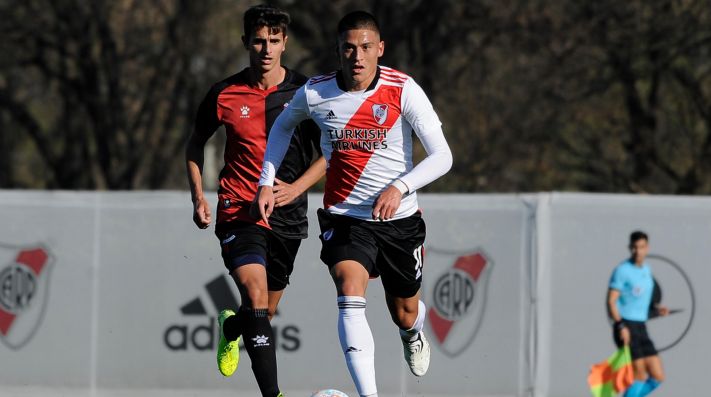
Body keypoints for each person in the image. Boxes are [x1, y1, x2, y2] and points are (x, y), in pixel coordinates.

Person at [256, 10, 453, 397]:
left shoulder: (403, 89)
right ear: (338, 51)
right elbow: (281, 127)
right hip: (346, 216)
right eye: (349, 48)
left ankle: (413, 331)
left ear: (380, 48)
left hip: (400, 220)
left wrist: (399, 187)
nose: (357, 57)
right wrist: (266, 181)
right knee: (349, 287)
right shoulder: (315, 92)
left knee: (404, 312)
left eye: (365, 47)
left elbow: (443, 156)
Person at [185, 4, 325, 397]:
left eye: (274, 41)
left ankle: (232, 327)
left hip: (288, 213)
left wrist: (296, 189)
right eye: (259, 41)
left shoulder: (306, 94)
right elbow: (195, 145)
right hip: (239, 209)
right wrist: (198, 196)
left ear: (285, 44)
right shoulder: (224, 93)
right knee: (257, 296)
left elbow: (329, 152)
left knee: (262, 313)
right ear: (246, 42)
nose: (266, 49)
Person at [607, 231, 669, 397]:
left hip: (641, 327)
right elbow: (611, 301)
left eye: (641, 247)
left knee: (657, 375)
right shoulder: (622, 270)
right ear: (630, 248)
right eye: (634, 247)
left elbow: (641, 298)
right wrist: (621, 326)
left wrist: (656, 308)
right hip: (626, 325)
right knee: (639, 374)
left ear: (646, 248)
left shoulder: (647, 270)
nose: (638, 251)